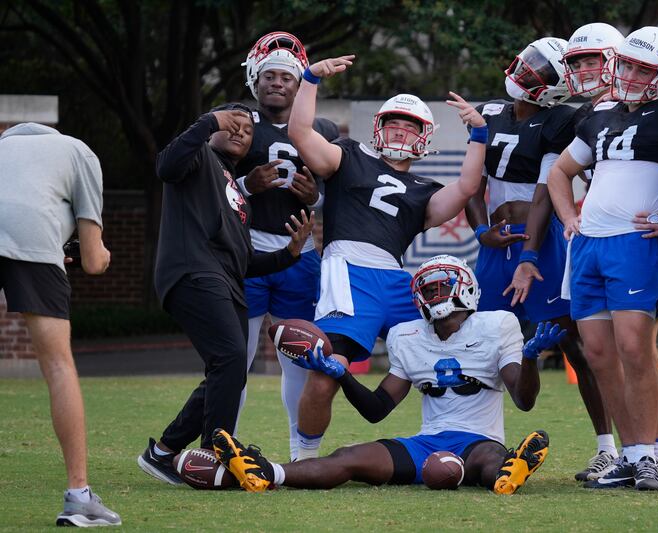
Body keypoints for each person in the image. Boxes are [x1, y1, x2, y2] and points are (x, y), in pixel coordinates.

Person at [211, 255, 560, 494]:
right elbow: (377, 409)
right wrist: (341, 374)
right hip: (425, 443)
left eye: (441, 287)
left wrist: (529, 359)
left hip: (478, 441)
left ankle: (509, 470)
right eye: (427, 289)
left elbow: (523, 399)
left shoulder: (496, 324)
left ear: (467, 289)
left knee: (489, 461)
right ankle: (267, 472)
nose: (433, 295)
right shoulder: (407, 336)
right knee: (347, 458)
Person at [286, 55, 487, 460]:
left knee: (452, 345)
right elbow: (301, 131)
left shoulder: (424, 188)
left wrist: (479, 132)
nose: (399, 131)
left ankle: (461, 438)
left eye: (409, 126)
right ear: (378, 128)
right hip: (349, 272)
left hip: (397, 280)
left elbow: (467, 186)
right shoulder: (348, 155)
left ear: (424, 137)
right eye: (393, 122)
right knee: (326, 371)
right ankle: (303, 457)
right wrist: (309, 79)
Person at [137, 104, 314, 486]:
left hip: (226, 281)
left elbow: (244, 260)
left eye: (247, 130)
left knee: (229, 369)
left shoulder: (236, 190)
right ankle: (216, 454)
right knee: (231, 358)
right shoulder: (197, 155)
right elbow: (165, 166)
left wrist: (289, 254)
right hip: (193, 272)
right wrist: (206, 123)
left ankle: (163, 452)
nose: (239, 131)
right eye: (231, 124)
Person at [464, 35, 613, 483]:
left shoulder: (560, 119)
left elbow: (549, 191)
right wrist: (479, 231)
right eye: (529, 62)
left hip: (542, 244)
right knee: (477, 341)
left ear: (556, 88)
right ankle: (473, 438)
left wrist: (530, 253)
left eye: (540, 70)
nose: (526, 71)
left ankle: (608, 448)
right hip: (496, 245)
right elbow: (472, 181)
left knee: (577, 344)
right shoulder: (489, 111)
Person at [546, 26, 658, 491]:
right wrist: (568, 218)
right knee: (600, 355)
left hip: (634, 242)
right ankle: (631, 454)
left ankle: (653, 456)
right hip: (588, 245)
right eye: (626, 64)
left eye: (644, 68)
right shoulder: (598, 116)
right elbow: (560, 173)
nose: (631, 74)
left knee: (635, 349)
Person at [0, 123, 119, 526]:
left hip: (33, 240)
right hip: (34, 242)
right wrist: (97, 252)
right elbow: (92, 259)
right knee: (57, 366)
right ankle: (79, 496)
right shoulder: (77, 151)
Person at [235, 31, 340, 461]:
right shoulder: (236, 121)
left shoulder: (322, 128)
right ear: (255, 80)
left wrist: (311, 196)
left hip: (300, 255)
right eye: (270, 76)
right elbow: (211, 186)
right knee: (233, 357)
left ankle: (302, 452)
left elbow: (338, 194)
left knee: (298, 353)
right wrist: (246, 184)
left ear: (301, 86)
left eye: (287, 77)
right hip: (248, 254)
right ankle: (223, 441)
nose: (278, 83)